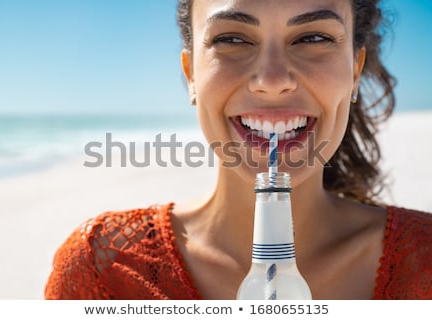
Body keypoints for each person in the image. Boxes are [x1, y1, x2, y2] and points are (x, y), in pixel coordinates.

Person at [45, 0, 431, 299]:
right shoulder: (102, 269)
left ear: (354, 71)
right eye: (232, 39)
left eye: (313, 38)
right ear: (191, 74)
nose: (272, 80)